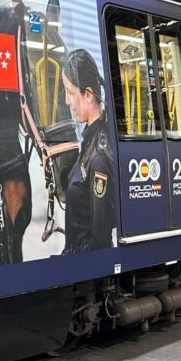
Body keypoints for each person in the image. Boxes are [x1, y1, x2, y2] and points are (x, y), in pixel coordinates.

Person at [60, 49, 116, 254]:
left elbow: (100, 241)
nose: (67, 101)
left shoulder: (99, 157)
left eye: (70, 92)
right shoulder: (88, 142)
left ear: (89, 95)